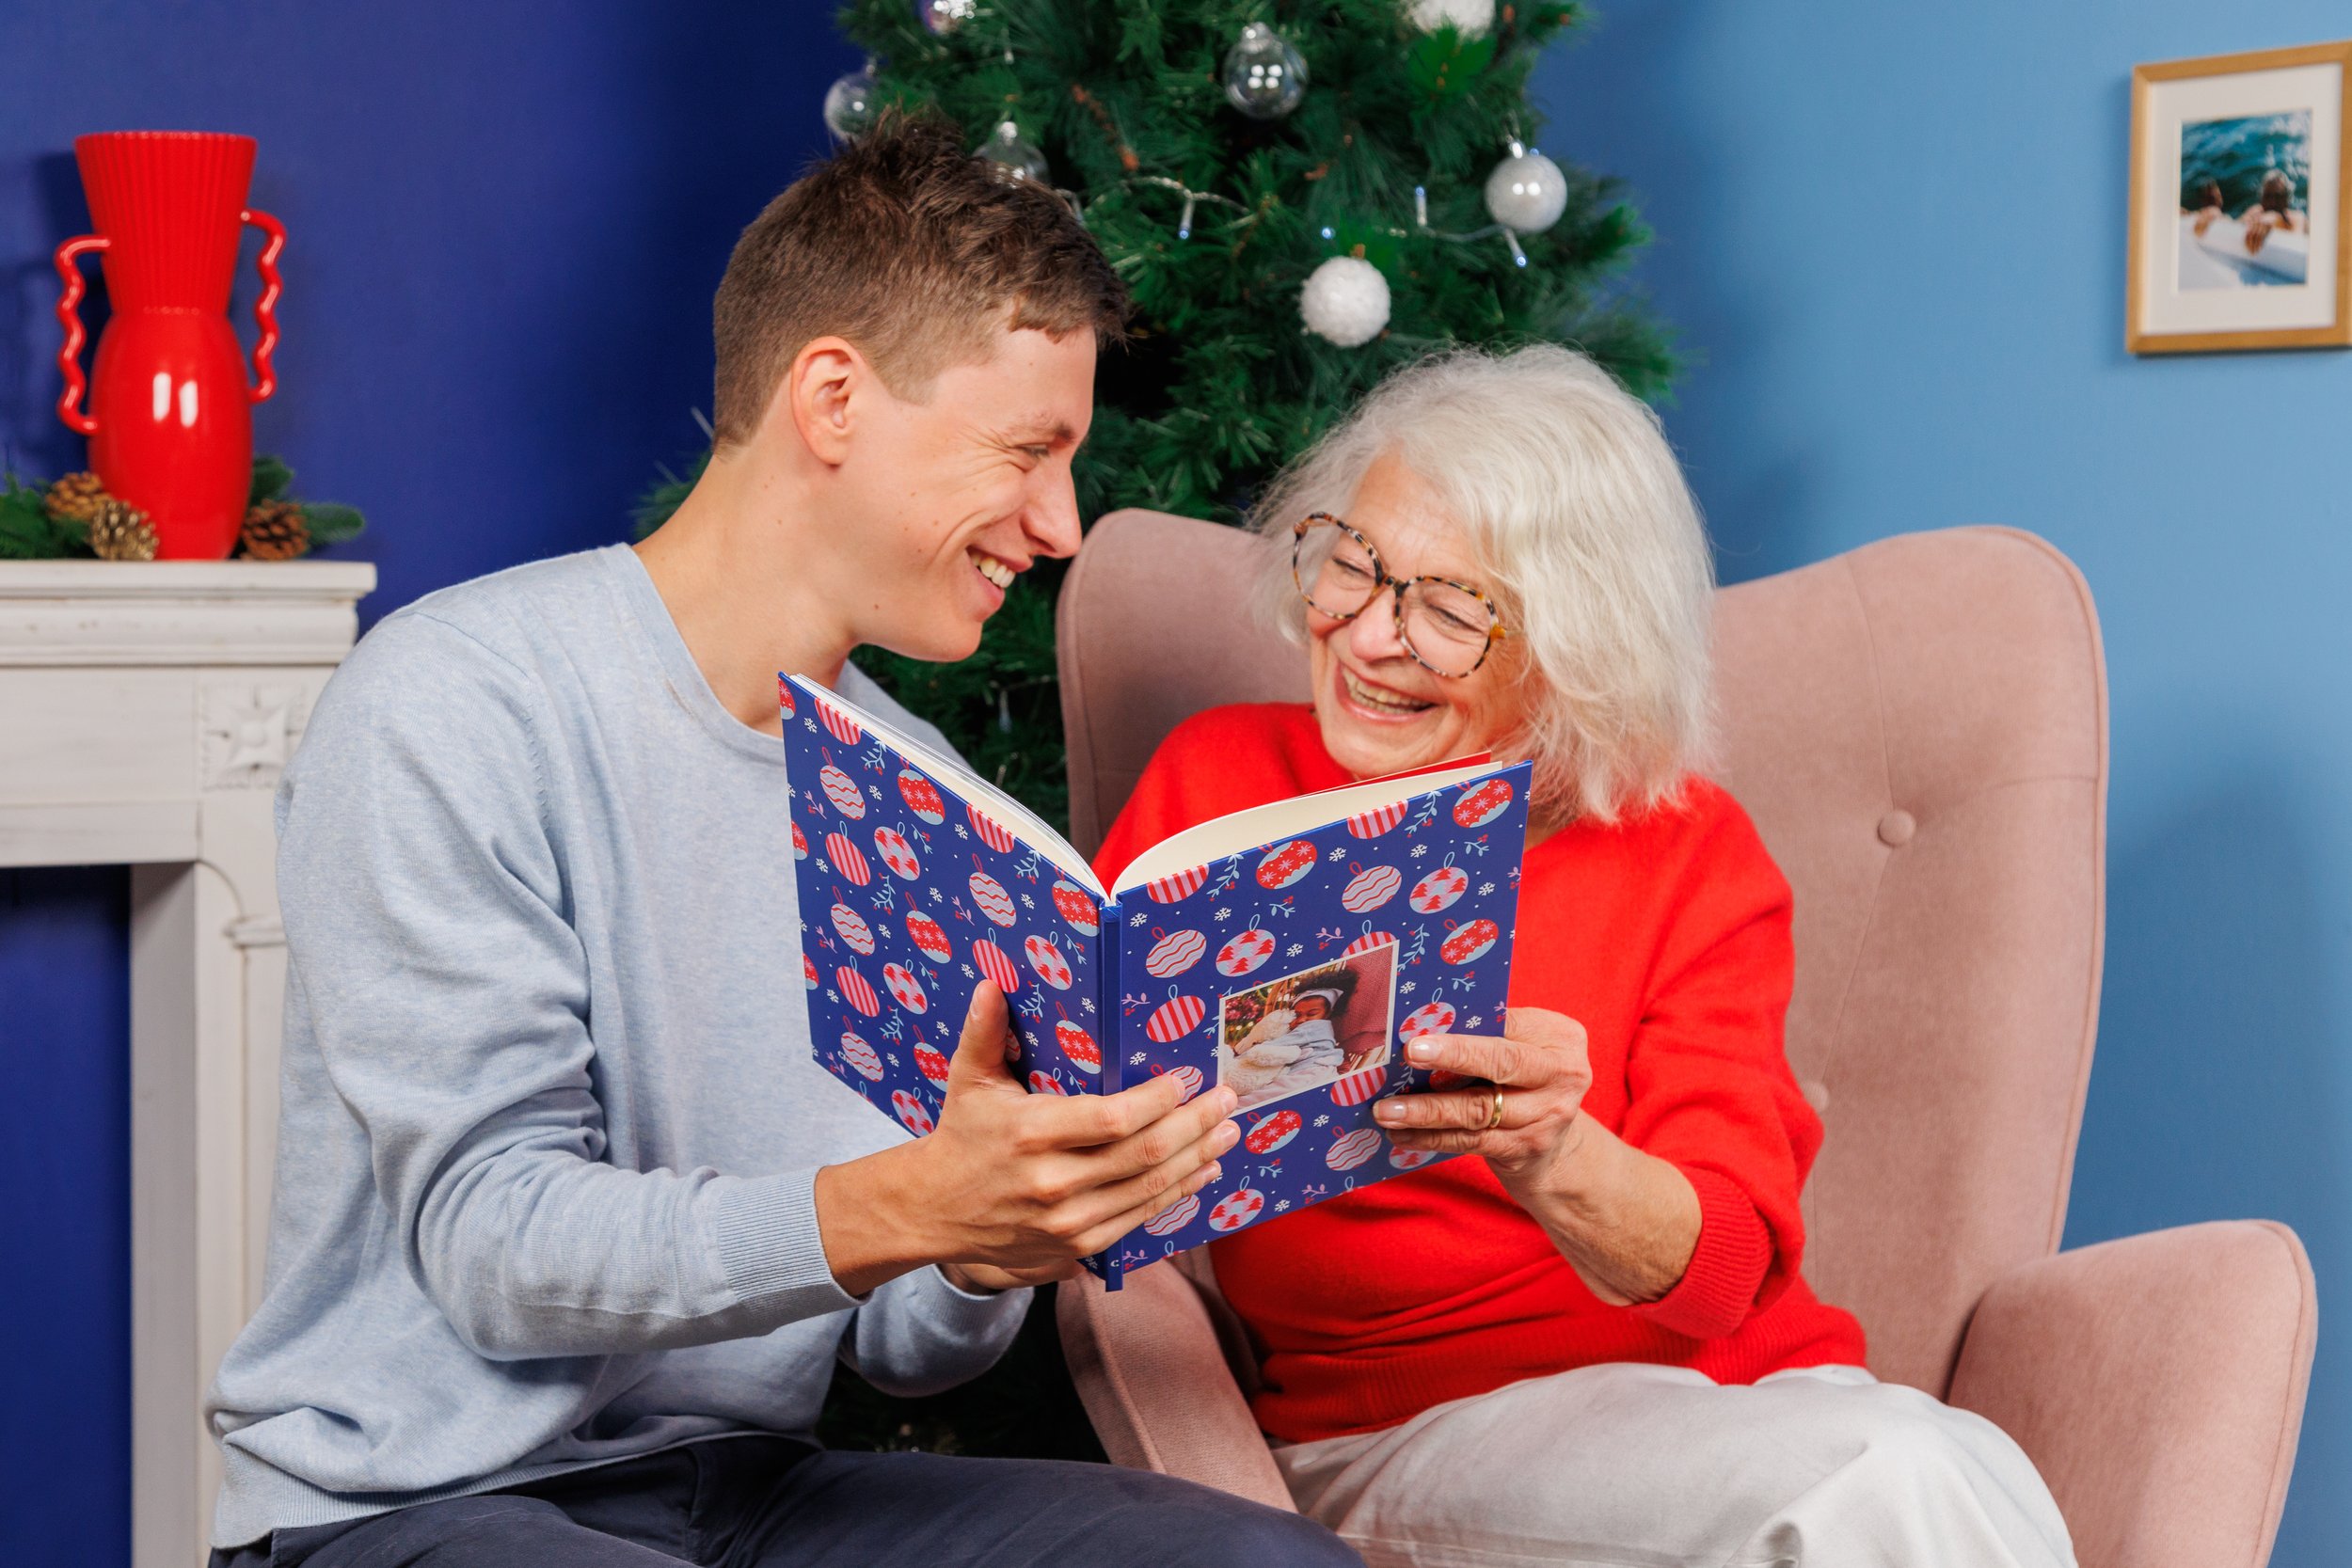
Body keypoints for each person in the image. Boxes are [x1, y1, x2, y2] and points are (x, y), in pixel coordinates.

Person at [202, 116, 1359, 1568]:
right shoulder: (456, 700)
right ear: (832, 397)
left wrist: (997, 1233)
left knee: (1265, 1563)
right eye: (1028, 450)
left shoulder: (923, 797)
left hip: (750, 1489)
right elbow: (496, 1250)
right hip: (406, 1508)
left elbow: (904, 1343)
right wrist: (909, 1198)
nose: (1063, 525)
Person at [1092, 344, 2076, 1567]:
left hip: (1749, 1397)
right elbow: (1100, 1101)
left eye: (1451, 607)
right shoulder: (1220, 782)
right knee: (1888, 1479)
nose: (1369, 634)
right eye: (1353, 560)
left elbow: (1720, 1271)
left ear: (1576, 647)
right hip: (1409, 1422)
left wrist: (1549, 1148)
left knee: (1955, 1463)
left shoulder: (1688, 847)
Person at [1225, 975, 1357, 1107]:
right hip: (1317, 1067)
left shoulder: (1314, 1027)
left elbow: (1283, 1042)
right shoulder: (1319, 1027)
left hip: (1313, 1070)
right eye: (1298, 1015)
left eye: (1311, 1014)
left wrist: (1251, 1052)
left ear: (1328, 1013)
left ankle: (1235, 1106)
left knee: (1270, 1094)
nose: (1302, 1020)